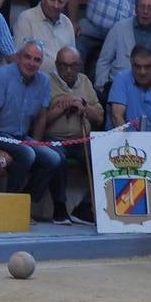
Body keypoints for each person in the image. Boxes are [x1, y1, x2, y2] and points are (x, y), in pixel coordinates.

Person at [0, 40, 64, 216]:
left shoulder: (44, 81)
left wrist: (36, 143)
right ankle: (9, 206)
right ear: (19, 57)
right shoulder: (1, 75)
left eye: (36, 60)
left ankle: (23, 204)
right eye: (27, 57)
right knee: (27, 154)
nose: (31, 63)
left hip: (18, 136)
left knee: (53, 158)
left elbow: (41, 117)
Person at [43, 45, 101, 224]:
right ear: (56, 64)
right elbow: (40, 119)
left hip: (81, 139)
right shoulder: (46, 81)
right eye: (63, 65)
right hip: (55, 139)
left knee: (101, 157)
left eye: (73, 66)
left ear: (80, 65)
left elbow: (99, 118)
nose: (68, 70)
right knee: (56, 159)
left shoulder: (85, 82)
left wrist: (85, 107)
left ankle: (84, 208)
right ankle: (60, 209)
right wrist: (63, 106)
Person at [108, 45, 151, 130]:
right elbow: (117, 116)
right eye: (137, 66)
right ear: (131, 63)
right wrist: (130, 142)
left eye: (147, 67)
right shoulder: (121, 79)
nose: (142, 72)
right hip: (122, 139)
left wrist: (145, 142)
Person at [13, 0, 75, 70]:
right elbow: (20, 56)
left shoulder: (67, 23)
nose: (56, 6)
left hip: (61, 80)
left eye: (60, 2)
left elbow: (72, 57)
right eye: (52, 0)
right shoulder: (26, 18)